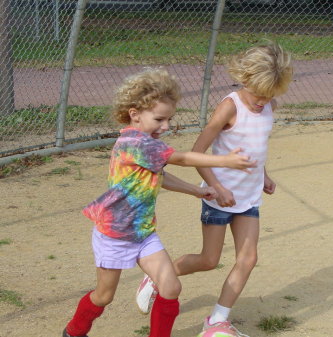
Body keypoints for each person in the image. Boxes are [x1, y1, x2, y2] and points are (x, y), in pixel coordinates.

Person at [61, 69, 257, 337]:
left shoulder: (149, 142)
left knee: (170, 287)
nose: (165, 126)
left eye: (169, 119)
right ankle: (74, 330)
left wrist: (197, 191)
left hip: (143, 232)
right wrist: (225, 160)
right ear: (134, 113)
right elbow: (183, 159)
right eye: (159, 119)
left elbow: (160, 176)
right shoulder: (134, 142)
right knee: (104, 296)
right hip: (115, 233)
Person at [135, 42, 293, 337]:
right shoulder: (229, 106)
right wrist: (216, 187)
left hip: (249, 197)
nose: (262, 101)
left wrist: (265, 175)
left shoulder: (270, 103)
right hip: (218, 197)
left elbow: (256, 147)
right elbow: (198, 152)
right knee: (209, 260)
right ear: (245, 79)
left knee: (248, 259)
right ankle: (157, 278)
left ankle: (217, 321)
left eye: (269, 95)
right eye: (259, 94)